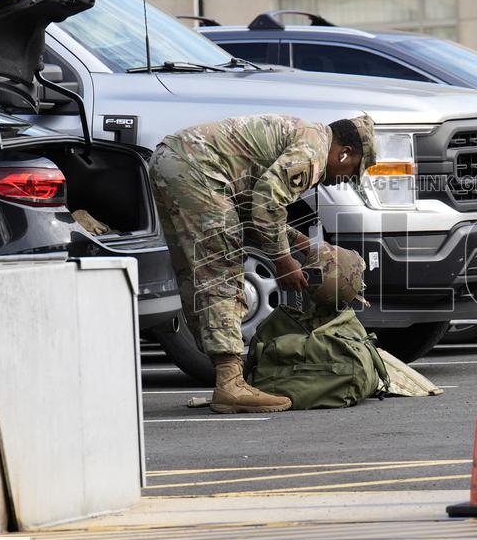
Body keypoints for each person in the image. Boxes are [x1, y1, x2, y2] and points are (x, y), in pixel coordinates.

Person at [148, 113, 376, 413]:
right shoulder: (313, 153)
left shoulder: (307, 135)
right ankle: (230, 384)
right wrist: (284, 263)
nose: (344, 180)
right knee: (221, 270)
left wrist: (299, 243)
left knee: (195, 273)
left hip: (172, 160)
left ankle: (226, 375)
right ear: (344, 153)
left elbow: (250, 207)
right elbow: (267, 204)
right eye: (353, 171)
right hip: (197, 169)